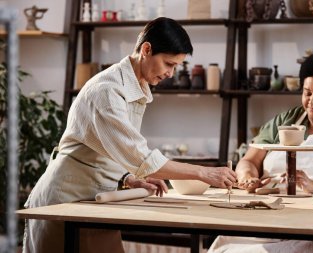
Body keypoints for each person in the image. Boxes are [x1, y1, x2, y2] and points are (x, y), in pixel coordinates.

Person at [22, 17, 237, 253]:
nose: (170, 73)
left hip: (96, 200)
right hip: (64, 200)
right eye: (168, 63)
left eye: (175, 66)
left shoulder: (135, 86)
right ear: (146, 49)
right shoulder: (107, 91)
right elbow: (141, 157)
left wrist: (127, 178)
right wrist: (203, 172)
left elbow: (108, 147)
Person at [208, 52, 313, 253]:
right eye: (307, 93)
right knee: (224, 242)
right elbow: (249, 160)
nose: (311, 101)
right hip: (269, 218)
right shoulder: (285, 121)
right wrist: (247, 177)